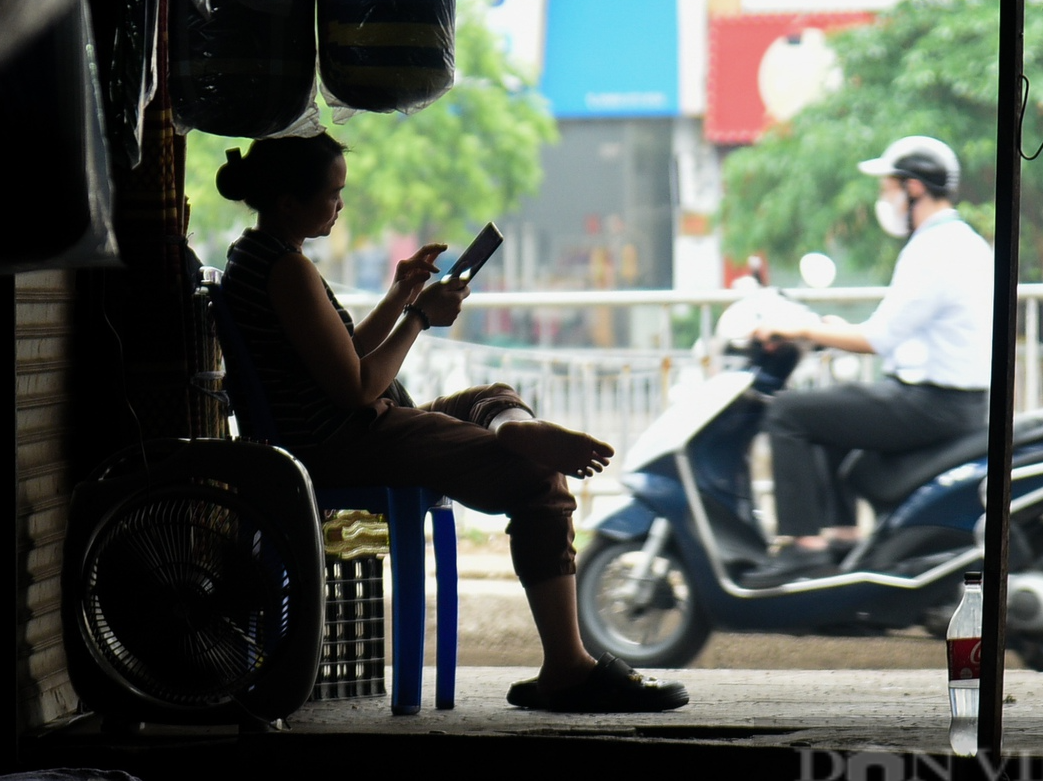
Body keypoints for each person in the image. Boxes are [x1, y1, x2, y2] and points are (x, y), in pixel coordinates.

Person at [214, 132, 688, 711]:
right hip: (346, 440)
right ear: (289, 201)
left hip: (351, 428)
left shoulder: (256, 255)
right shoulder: (286, 270)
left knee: (490, 395)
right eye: (333, 193)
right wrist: (419, 318)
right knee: (539, 479)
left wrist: (400, 294)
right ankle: (568, 666)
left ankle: (508, 426)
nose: (340, 204)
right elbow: (358, 385)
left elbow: (341, 358)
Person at [749, 136, 991, 581]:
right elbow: (902, 328)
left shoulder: (933, 248)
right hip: (956, 401)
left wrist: (800, 328)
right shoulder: (962, 241)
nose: (885, 199)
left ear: (913, 188)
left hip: (933, 404)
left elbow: (878, 338)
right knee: (832, 417)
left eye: (887, 189)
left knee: (788, 413)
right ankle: (843, 541)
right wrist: (827, 326)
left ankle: (804, 548)